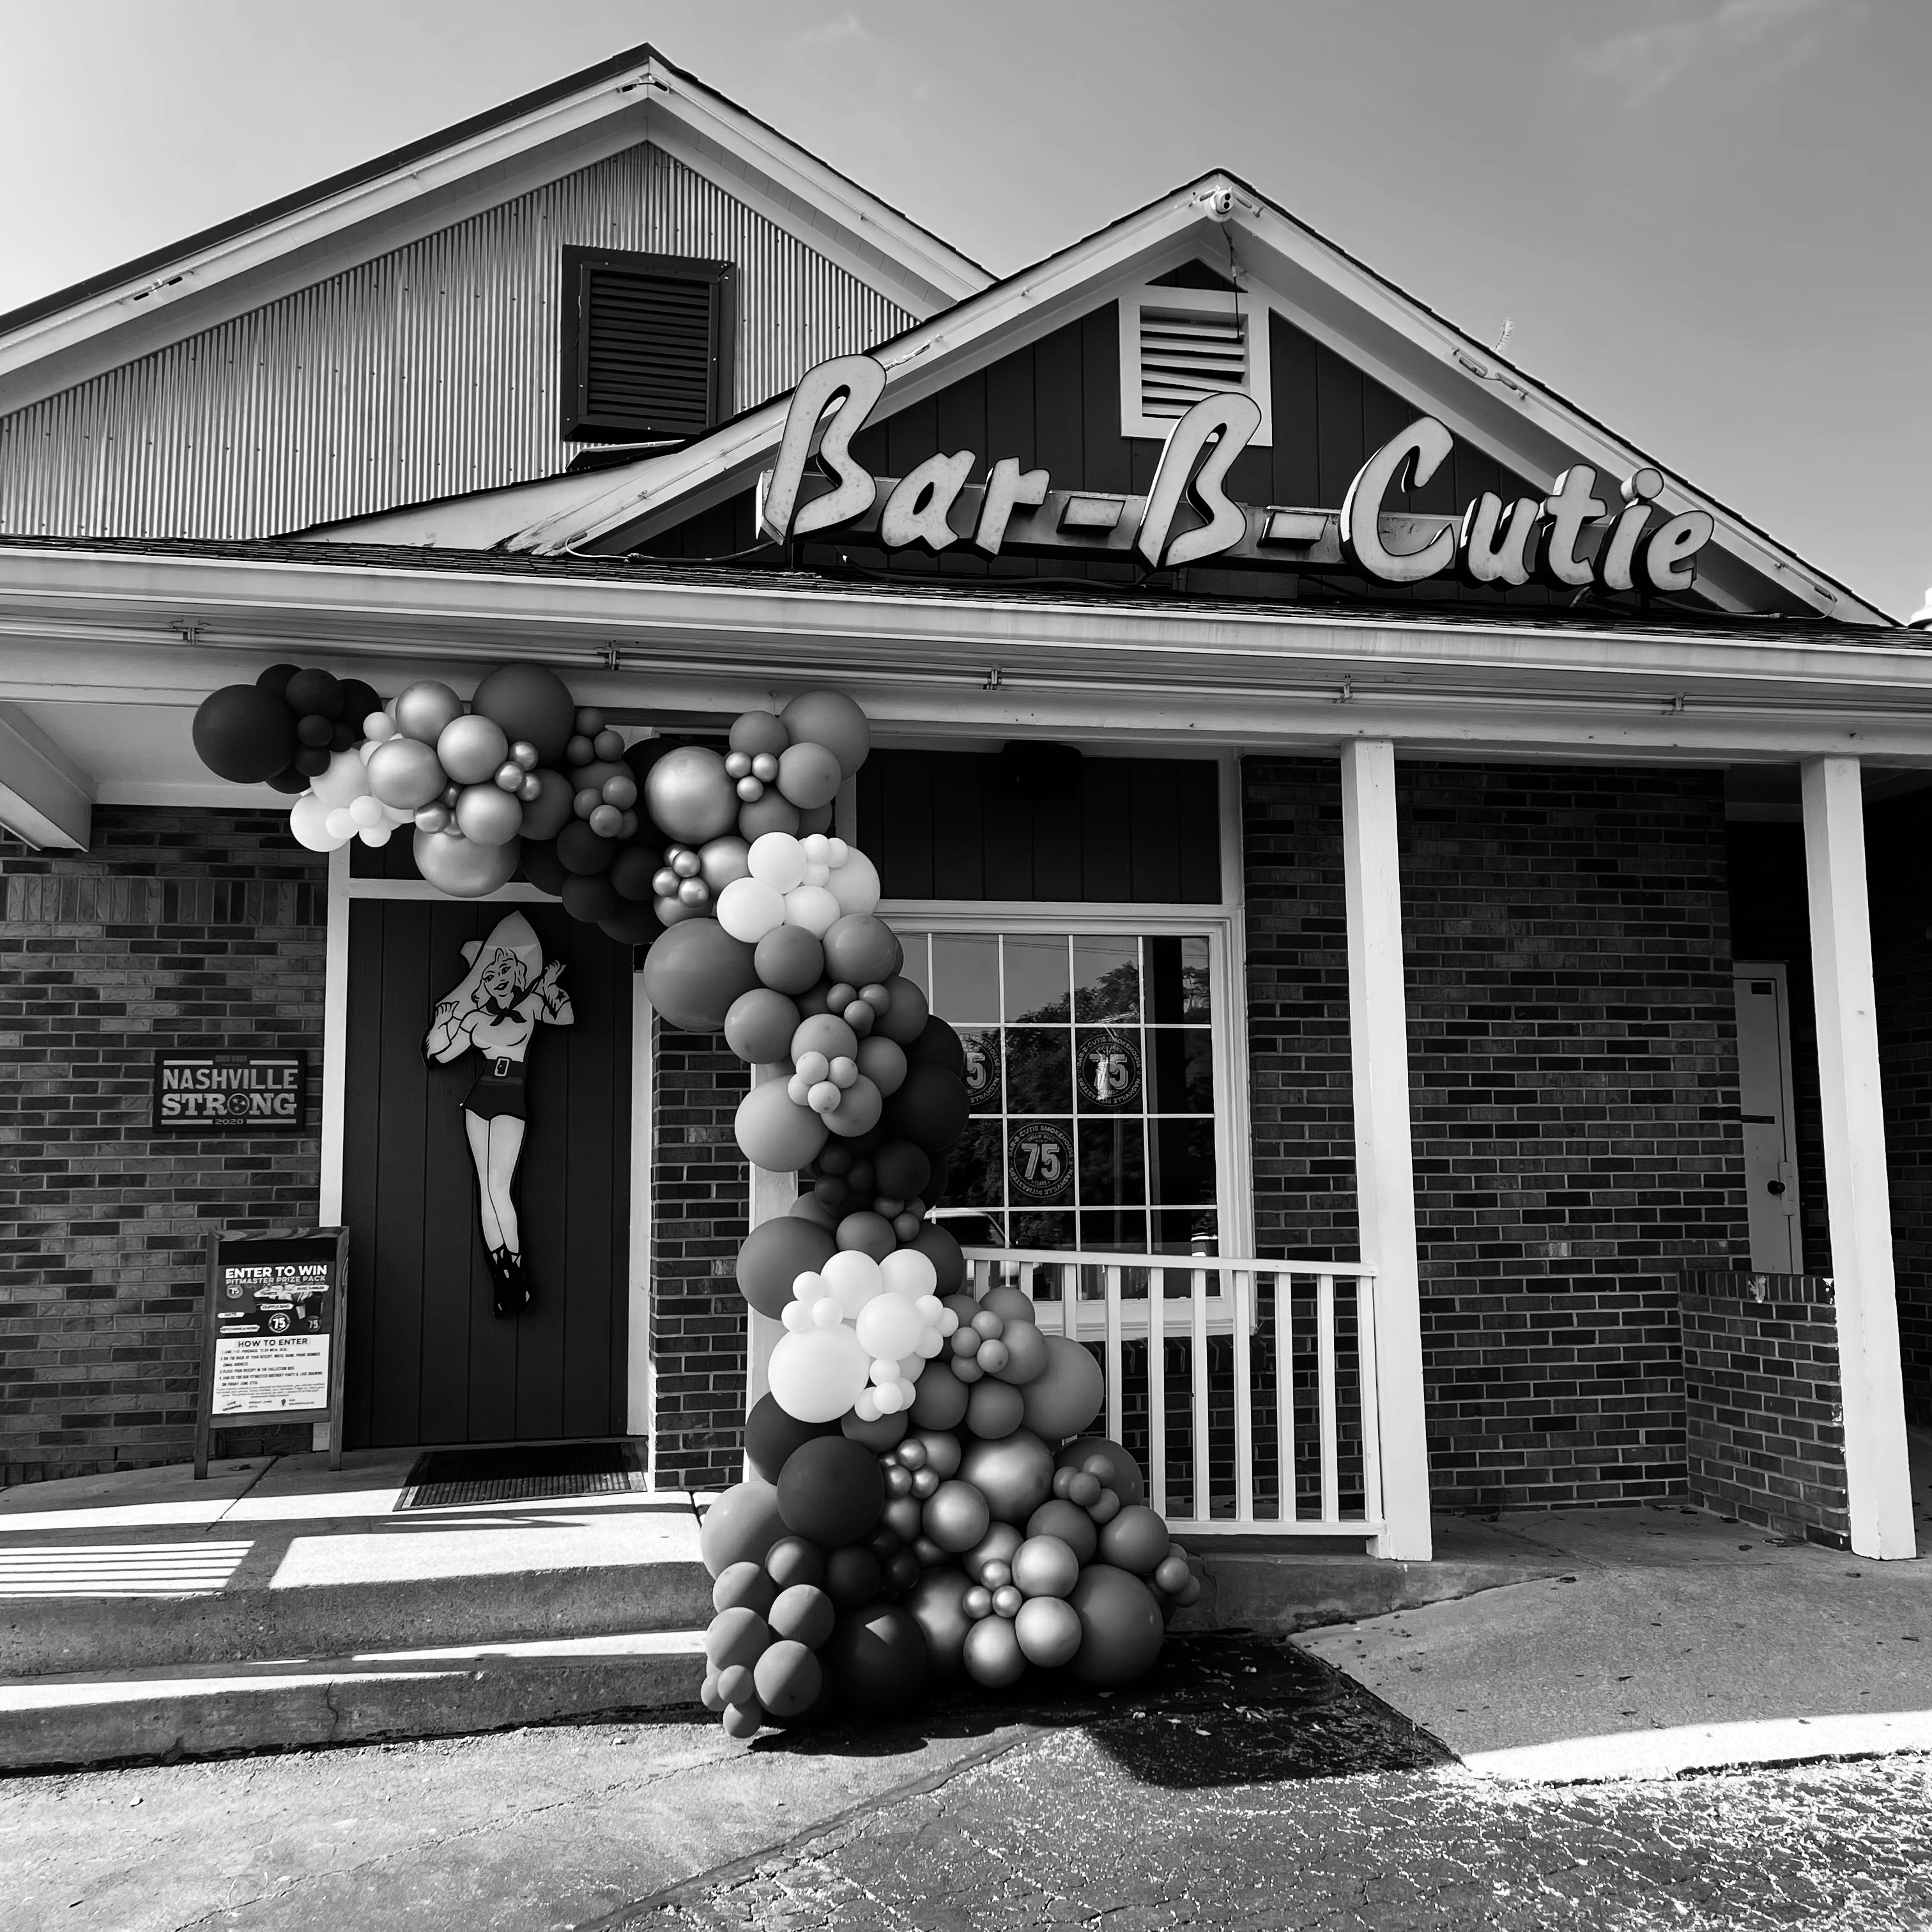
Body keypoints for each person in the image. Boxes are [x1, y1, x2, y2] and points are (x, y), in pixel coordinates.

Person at [424, 911, 572, 1316]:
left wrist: (552, 988)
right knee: (484, 1190)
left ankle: (515, 1271)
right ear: (484, 981)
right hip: (479, 1101)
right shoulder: (475, 1017)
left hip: (511, 1101)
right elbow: (437, 1054)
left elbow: (567, 1016)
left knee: (497, 1188)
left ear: (518, 975)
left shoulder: (530, 1008)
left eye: (505, 971)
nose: (497, 979)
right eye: (490, 974)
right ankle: (502, 1274)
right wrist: (446, 1021)